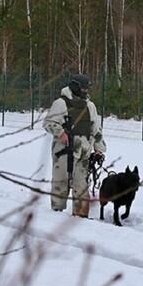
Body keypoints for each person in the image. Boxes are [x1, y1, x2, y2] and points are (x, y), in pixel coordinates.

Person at [43, 74, 107, 218]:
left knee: (81, 186)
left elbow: (96, 129)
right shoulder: (61, 103)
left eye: (87, 88)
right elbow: (49, 123)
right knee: (60, 183)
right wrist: (60, 133)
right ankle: (55, 214)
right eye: (83, 88)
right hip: (63, 150)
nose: (85, 91)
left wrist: (99, 148)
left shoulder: (90, 106)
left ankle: (80, 216)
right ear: (75, 86)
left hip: (83, 150)